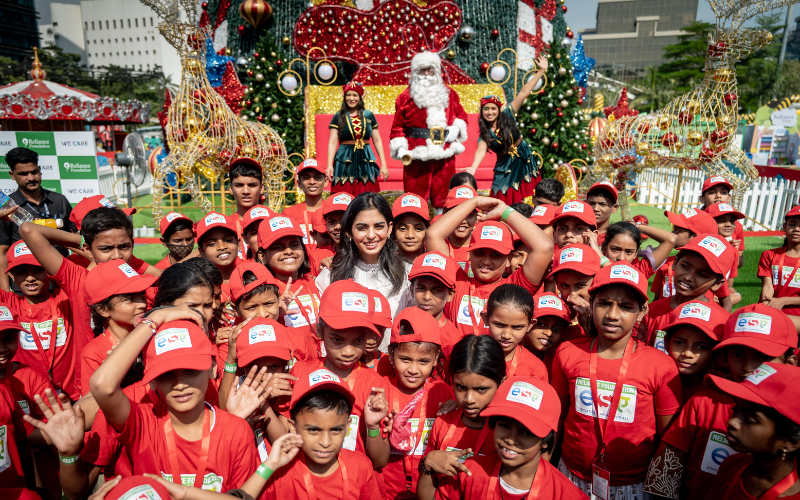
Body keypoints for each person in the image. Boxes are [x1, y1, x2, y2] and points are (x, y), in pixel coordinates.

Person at [89, 308, 260, 489]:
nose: (180, 384)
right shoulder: (143, 424)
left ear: (212, 368)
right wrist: (155, 318)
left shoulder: (237, 430)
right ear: (151, 381)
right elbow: (102, 385)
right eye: (166, 375)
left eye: (191, 371)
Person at [551, 262, 682, 498]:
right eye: (604, 303)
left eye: (625, 306)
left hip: (633, 485)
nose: (612, 315)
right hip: (571, 475)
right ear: (592, 304)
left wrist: (663, 490)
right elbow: (558, 417)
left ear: (641, 312)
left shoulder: (661, 366)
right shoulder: (567, 352)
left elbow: (670, 438)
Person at [644, 304, 798, 500]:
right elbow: (665, 473)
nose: (748, 367)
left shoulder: (795, 413)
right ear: (724, 357)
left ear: (791, 362)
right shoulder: (703, 402)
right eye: (737, 354)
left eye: (763, 357)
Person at [280, 280, 390, 464]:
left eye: (358, 341)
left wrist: (372, 427)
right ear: (320, 332)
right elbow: (283, 436)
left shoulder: (376, 385)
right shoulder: (300, 372)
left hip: (355, 479)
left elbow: (380, 462)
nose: (348, 351)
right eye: (337, 340)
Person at [428, 376, 586, 500]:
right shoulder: (469, 472)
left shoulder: (567, 495)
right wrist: (427, 465)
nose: (510, 439)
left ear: (546, 440)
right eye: (504, 426)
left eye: (526, 432)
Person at [426, 196, 553, 338]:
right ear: (469, 254)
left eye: (496, 255)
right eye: (479, 253)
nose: (486, 261)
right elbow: (433, 235)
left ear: (508, 259)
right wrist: (475, 202)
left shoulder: (515, 288)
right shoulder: (455, 281)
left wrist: (504, 211)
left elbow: (545, 247)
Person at [259, 369, 383, 499]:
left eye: (335, 430)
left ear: (347, 426)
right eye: (313, 430)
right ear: (293, 427)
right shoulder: (279, 473)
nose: (325, 442)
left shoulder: (361, 466)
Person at [316, 193, 412, 351]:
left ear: (390, 228)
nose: (371, 235)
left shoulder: (408, 274)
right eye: (362, 228)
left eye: (379, 227)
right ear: (349, 231)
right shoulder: (331, 274)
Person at [417, 334, 505, 498]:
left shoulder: (507, 431)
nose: (469, 399)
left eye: (481, 389)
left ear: (502, 383)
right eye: (460, 387)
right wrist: (429, 462)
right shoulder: (443, 422)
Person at [380, 307, 453, 499]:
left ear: (435, 359)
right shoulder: (380, 390)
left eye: (423, 361)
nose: (413, 369)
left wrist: (456, 407)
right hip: (386, 491)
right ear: (391, 354)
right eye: (405, 359)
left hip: (428, 490)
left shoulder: (444, 393)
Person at [704, 363, 800, 499]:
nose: (732, 422)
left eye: (750, 419)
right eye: (735, 410)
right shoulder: (733, 465)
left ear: (790, 441)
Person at [389, 51, 468, 209]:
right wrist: (401, 148)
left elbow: (462, 115)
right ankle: (416, 222)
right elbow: (397, 127)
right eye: (422, 70)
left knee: (445, 197)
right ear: (415, 72)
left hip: (444, 152)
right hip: (417, 153)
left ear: (437, 72)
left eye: (430, 70)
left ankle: (442, 223)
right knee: (415, 197)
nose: (426, 74)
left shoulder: (450, 95)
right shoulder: (405, 97)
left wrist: (456, 128)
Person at [466, 54, 548, 204]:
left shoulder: (508, 114)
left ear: (499, 110)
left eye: (493, 108)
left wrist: (541, 71)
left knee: (532, 194)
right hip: (504, 165)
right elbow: (481, 150)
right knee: (502, 196)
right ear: (481, 112)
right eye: (486, 109)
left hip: (523, 155)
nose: (490, 112)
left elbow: (523, 93)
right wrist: (473, 168)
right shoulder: (485, 133)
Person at [0, 147, 75, 291]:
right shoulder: (7, 208)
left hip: (62, 283)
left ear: (40, 170)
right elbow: (2, 253)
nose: (31, 178)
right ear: (12, 175)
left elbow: (76, 240)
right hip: (26, 287)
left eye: (34, 172)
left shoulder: (59, 200)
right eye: (23, 174)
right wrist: (6, 293)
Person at [643, 234, 735, 351]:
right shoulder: (650, 313)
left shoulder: (724, 323)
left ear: (717, 283)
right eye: (685, 266)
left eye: (702, 274)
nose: (688, 277)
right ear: (675, 262)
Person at [80, 260, 155, 396]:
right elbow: (90, 405)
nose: (142, 304)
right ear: (103, 310)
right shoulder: (94, 353)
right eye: (129, 299)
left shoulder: (155, 336)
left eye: (142, 295)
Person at [255, 215, 322, 361]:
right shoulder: (262, 292)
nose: (288, 251)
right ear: (262, 256)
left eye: (294, 245)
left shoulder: (315, 282)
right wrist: (275, 314)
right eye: (278, 247)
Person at [650, 208, 732, 311]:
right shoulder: (665, 263)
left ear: (696, 238)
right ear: (676, 263)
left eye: (677, 231)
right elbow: (656, 299)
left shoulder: (713, 272)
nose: (672, 234)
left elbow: (726, 304)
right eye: (685, 266)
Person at [326, 82, 388, 196]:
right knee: (343, 195)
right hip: (344, 159)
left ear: (360, 97)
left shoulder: (368, 115)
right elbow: (333, 142)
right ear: (344, 97)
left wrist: (383, 164)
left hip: (365, 158)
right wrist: (329, 165)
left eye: (355, 95)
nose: (351, 98)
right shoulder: (338, 116)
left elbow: (377, 140)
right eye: (348, 95)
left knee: (367, 197)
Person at [661, 300, 727, 400]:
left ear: (716, 352)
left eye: (701, 347)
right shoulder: (653, 378)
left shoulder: (721, 389)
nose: (687, 353)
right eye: (679, 343)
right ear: (666, 343)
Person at [482, 284, 548, 380]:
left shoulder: (535, 370)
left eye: (517, 327)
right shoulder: (470, 358)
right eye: (499, 325)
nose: (507, 335)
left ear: (530, 325)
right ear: (485, 318)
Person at [408, 251, 462, 359]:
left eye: (437, 290)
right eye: (421, 288)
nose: (427, 297)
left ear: (450, 295)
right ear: (412, 290)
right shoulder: (403, 326)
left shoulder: (454, 342)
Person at [597, 221, 677, 277]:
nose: (621, 258)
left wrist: (636, 226)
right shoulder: (594, 268)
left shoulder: (638, 272)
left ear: (636, 253)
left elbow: (671, 239)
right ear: (604, 247)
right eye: (615, 250)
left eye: (629, 252)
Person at [282, 159, 326, 245]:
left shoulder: (332, 211)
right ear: (299, 183)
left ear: (326, 181)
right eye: (306, 178)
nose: (312, 182)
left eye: (317, 177)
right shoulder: (289, 214)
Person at [228, 158, 264, 259]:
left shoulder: (273, 222)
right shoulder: (226, 226)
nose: (246, 191)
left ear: (261, 188)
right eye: (239, 185)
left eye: (252, 185)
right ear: (231, 189)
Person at [524, 292, 571, 368]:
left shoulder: (558, 364)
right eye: (541, 324)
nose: (549, 333)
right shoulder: (506, 354)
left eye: (557, 329)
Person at [392, 193, 430, 263]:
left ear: (427, 229)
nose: (410, 235)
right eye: (403, 229)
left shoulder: (435, 264)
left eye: (418, 229)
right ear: (392, 230)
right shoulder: (384, 265)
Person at [586, 181, 619, 247]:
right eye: (592, 203)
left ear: (614, 208)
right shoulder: (578, 233)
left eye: (602, 204)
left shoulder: (617, 237)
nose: (596, 209)